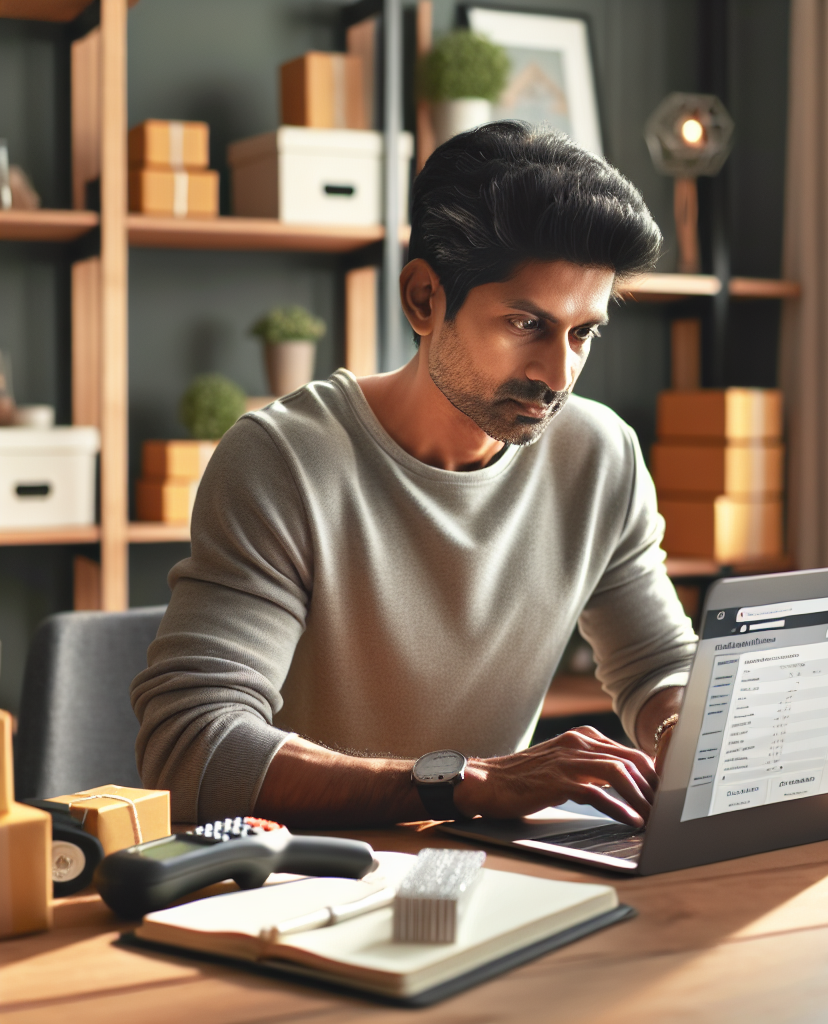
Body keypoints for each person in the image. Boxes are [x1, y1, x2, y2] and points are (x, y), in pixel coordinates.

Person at [131, 122, 697, 830]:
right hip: (307, 882)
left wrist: (681, 732)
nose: (558, 376)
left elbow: (656, 668)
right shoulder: (282, 462)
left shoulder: (600, 455)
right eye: (526, 323)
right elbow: (192, 748)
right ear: (424, 298)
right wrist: (462, 785)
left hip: (490, 872)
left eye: (583, 333)